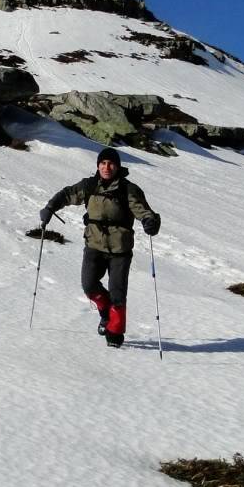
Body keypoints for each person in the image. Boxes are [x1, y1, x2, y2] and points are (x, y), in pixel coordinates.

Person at [39, 147, 161, 348]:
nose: (106, 167)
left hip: (119, 250)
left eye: (111, 163)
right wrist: (50, 207)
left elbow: (144, 211)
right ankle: (105, 313)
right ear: (98, 165)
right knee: (89, 285)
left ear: (118, 166)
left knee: (118, 294)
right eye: (103, 163)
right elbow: (68, 194)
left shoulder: (128, 189)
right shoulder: (89, 185)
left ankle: (115, 334)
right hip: (94, 245)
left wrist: (150, 222)